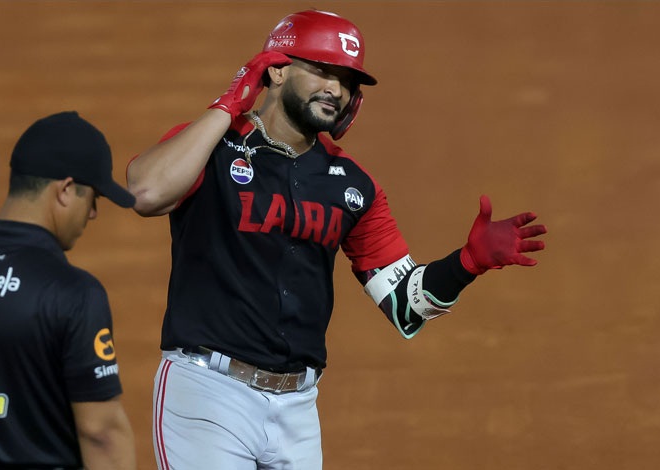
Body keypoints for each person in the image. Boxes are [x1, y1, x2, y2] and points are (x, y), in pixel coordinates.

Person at [127, 9, 547, 470]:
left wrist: (467, 263)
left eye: (346, 79)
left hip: (298, 410)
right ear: (277, 68)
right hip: (209, 395)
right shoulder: (210, 148)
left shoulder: (353, 185)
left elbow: (405, 307)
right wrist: (228, 106)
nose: (336, 89)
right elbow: (146, 193)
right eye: (322, 71)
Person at [0, 111, 137, 469]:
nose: (94, 213)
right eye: (93, 197)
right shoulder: (73, 294)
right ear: (66, 190)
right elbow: (101, 432)